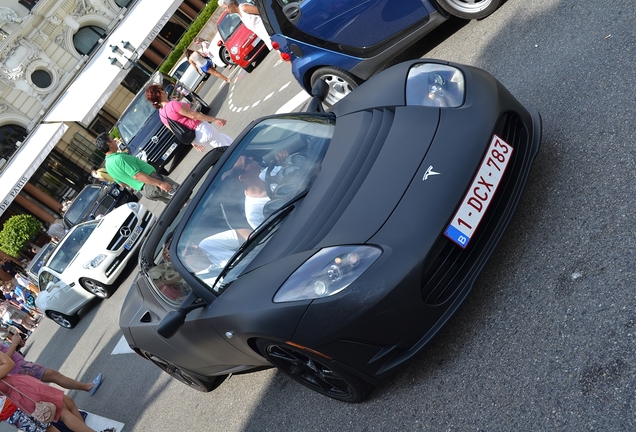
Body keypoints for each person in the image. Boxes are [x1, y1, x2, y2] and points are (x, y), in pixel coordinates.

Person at [0, 351, 114, 432]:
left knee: (68, 403)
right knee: (63, 413)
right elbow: (9, 363)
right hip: (25, 391)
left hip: (24, 389)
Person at [0, 333, 102, 395]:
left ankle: (87, 387)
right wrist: (14, 343)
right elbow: (4, 361)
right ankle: (88, 387)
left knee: (53, 379)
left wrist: (17, 344)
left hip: (19, 368)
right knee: (55, 376)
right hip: (19, 369)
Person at [94, 133, 178, 204]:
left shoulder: (108, 166)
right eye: (112, 140)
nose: (115, 141)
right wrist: (160, 184)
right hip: (152, 182)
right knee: (182, 194)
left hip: (144, 190)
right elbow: (137, 175)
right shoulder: (119, 158)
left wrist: (135, 184)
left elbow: (122, 184)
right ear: (109, 144)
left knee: (176, 204)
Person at [145, 85, 232, 151]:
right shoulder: (172, 104)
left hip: (195, 137)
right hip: (201, 129)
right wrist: (216, 119)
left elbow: (174, 131)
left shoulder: (162, 114)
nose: (164, 91)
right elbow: (194, 115)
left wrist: (192, 143)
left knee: (228, 141)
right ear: (158, 93)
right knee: (227, 151)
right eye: (161, 90)